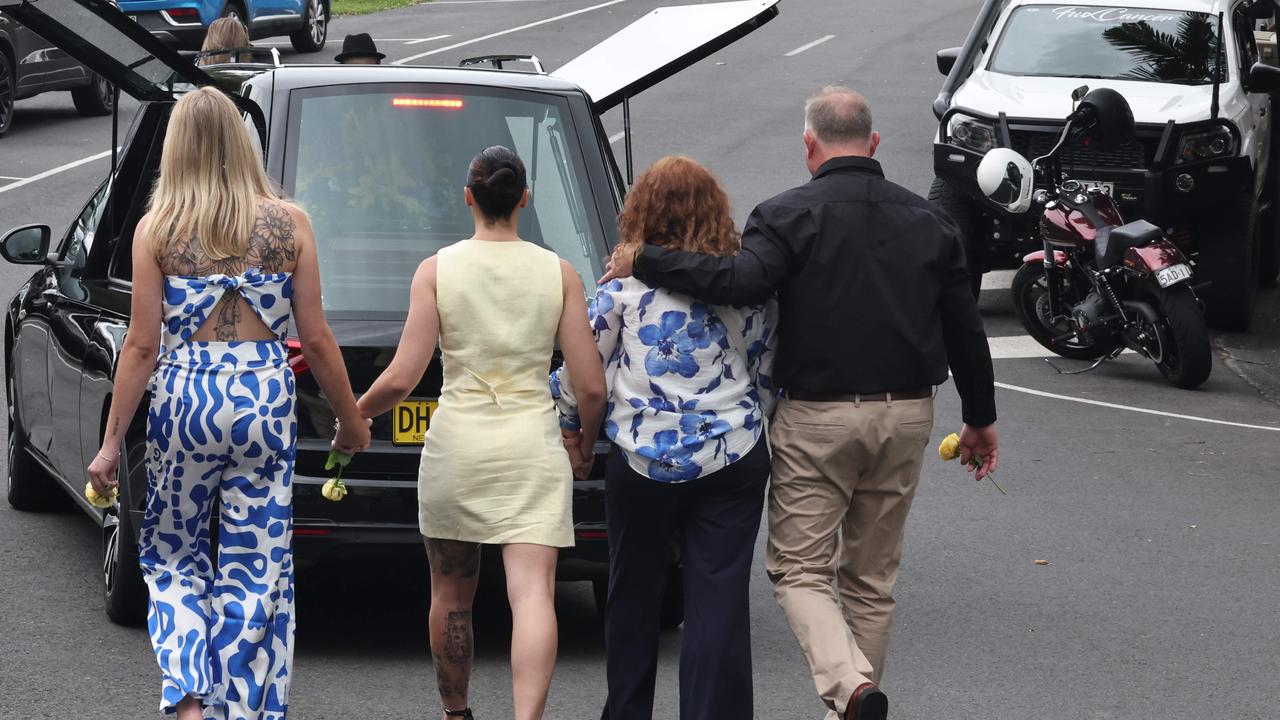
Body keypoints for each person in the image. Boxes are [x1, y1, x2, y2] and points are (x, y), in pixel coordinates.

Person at [601, 87, 1000, 720]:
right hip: (906, 415)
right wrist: (980, 418)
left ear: (809, 146)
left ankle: (851, 688)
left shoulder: (786, 216)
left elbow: (739, 283)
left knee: (800, 571)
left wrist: (645, 259)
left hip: (816, 418)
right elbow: (965, 329)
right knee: (871, 581)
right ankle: (850, 703)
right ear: (873, 144)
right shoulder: (932, 224)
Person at [85, 86, 371, 720]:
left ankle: (188, 696)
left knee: (173, 553)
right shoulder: (289, 223)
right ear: (245, 143)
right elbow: (316, 338)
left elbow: (139, 346)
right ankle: (240, 709)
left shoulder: (157, 230)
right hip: (264, 396)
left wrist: (110, 444)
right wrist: (350, 420)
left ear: (178, 149)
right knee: (256, 562)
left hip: (188, 391)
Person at [353, 146, 606, 720]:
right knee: (534, 593)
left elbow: (403, 376)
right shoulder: (558, 273)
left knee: (450, 592)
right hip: (531, 447)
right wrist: (583, 442)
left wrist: (357, 416)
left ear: (469, 196)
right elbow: (590, 386)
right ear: (524, 198)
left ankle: (458, 713)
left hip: (458, 446)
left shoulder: (437, 271)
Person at [551, 156, 776, 720]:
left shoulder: (621, 290)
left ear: (642, 214)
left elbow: (582, 375)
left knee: (633, 595)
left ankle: (627, 712)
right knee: (717, 603)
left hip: (642, 458)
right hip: (731, 456)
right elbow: (769, 371)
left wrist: (572, 429)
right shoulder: (745, 290)